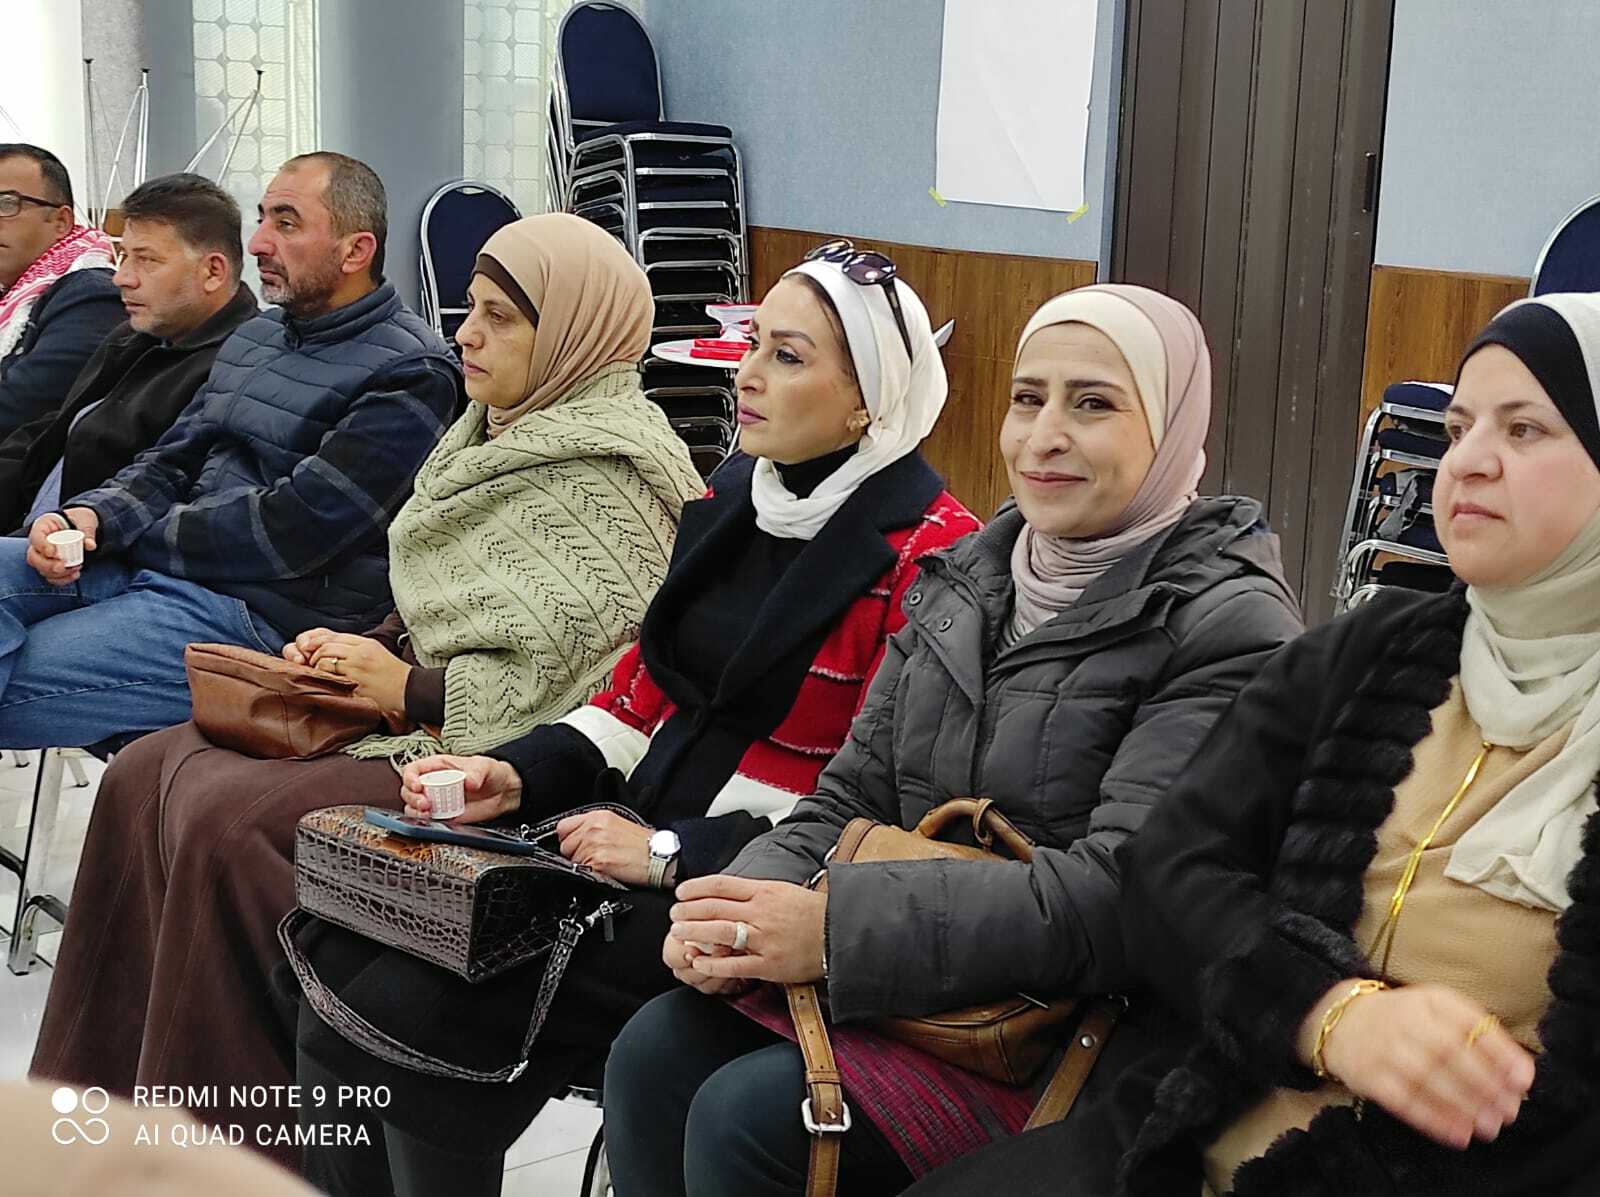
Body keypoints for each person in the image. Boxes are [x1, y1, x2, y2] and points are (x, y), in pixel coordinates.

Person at [289, 243, 981, 1197]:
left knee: (413, 1006)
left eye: (787, 356)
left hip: (740, 883)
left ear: (869, 398)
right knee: (335, 953)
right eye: (753, 345)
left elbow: (876, 804)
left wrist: (664, 851)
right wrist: (516, 772)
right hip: (617, 838)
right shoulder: (735, 496)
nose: (746, 375)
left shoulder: (932, 557)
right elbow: (634, 699)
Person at [29, 213, 702, 1169]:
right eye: (471, 308)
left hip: (504, 766)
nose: (468, 332)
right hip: (409, 713)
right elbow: (442, 601)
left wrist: (412, 687)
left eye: (502, 318)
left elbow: (591, 681)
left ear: (572, 333)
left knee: (230, 823)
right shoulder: (489, 430)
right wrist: (367, 648)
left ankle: (241, 1159)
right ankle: (97, 1117)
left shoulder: (615, 477)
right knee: (142, 772)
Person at [602, 284, 1307, 1197]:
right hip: (929, 983)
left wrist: (832, 930)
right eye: (1027, 398)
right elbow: (851, 794)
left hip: (1082, 1029)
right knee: (652, 1053)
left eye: (1093, 403)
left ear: (1170, 427)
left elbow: (1121, 896)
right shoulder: (969, 578)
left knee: (749, 1122)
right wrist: (743, 906)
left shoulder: (1227, 626)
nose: (1043, 436)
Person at [1098, 293, 1600, 1197]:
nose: (1467, 461)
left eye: (1525, 429)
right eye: (1458, 427)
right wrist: (1325, 1011)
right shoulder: (1375, 649)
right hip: (1198, 1129)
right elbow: (1168, 867)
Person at [0, 150, 459, 748]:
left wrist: (131, 535)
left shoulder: (412, 372)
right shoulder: (258, 336)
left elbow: (296, 531)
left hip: (260, 618)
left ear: (355, 251)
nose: (260, 242)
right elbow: (170, 458)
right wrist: (90, 518)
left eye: (286, 223)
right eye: (263, 218)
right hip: (163, 571)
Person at [0, 172, 258, 532]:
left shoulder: (237, 367)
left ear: (213, 272)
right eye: (124, 256)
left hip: (80, 546)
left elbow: (156, 494)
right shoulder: (135, 335)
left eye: (146, 260)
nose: (122, 277)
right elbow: (49, 433)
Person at [0, 143, 123, 436]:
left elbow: (20, 407)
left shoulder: (93, 297)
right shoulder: (11, 295)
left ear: (61, 221)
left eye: (6, 204)